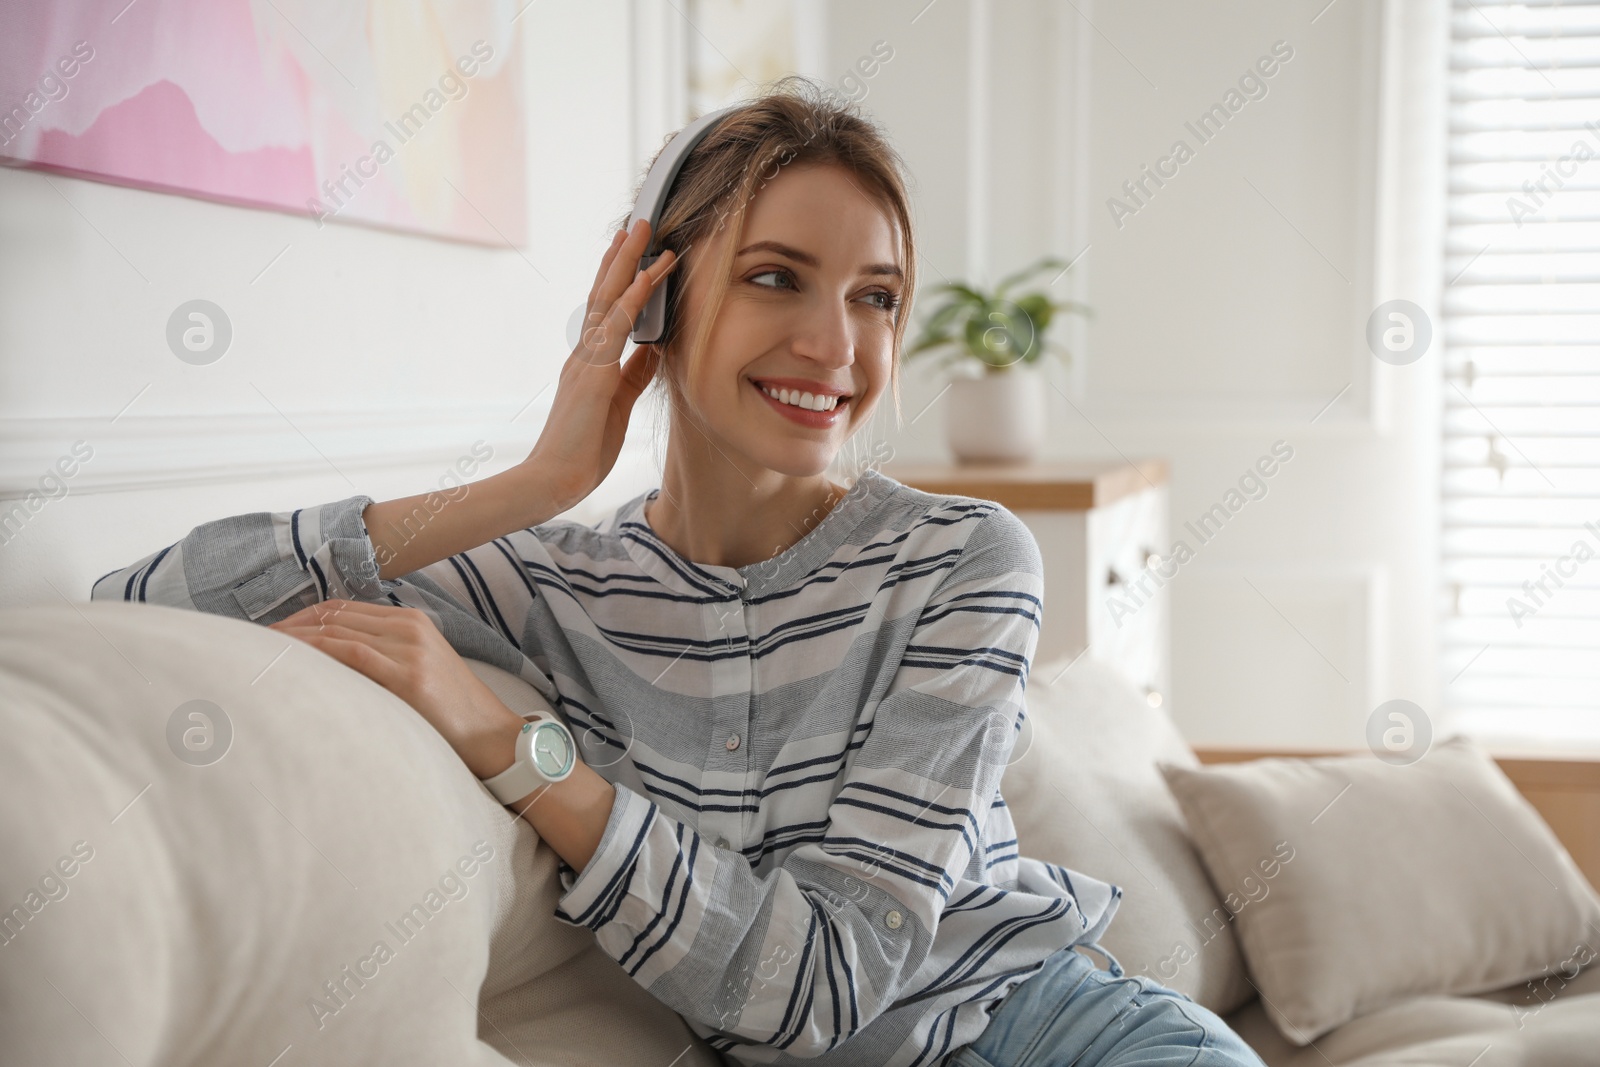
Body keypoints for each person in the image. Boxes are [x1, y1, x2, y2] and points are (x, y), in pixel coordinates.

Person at [92, 77, 1265, 1067]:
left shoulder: (960, 561)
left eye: (876, 298)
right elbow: (144, 602)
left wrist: (519, 750)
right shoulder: (552, 577)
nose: (835, 346)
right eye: (775, 276)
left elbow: (826, 982)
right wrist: (532, 483)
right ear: (653, 290)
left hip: (1051, 1031)